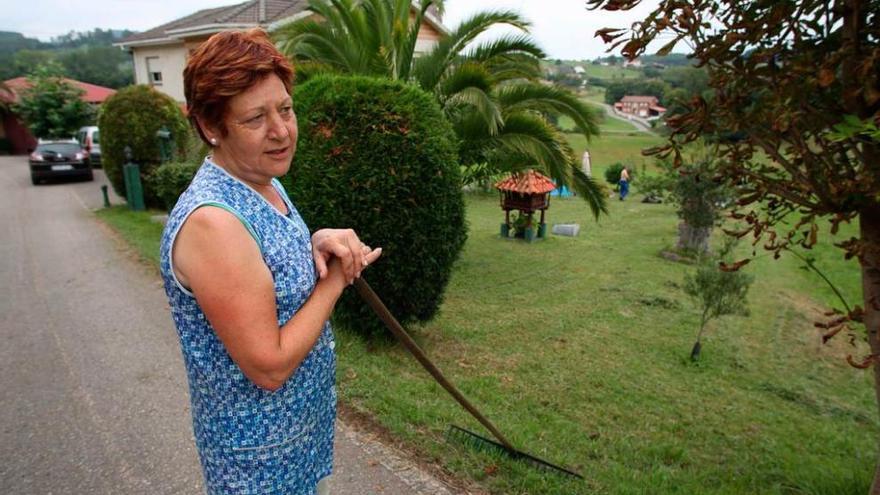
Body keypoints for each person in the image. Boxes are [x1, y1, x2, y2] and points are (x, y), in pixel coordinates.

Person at [159, 29, 381, 494]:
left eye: (285, 108)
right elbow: (268, 365)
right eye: (255, 118)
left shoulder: (262, 179)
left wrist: (315, 243)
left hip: (294, 441)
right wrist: (334, 282)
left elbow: (267, 263)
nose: (281, 131)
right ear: (210, 127)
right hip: (257, 467)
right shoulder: (212, 222)